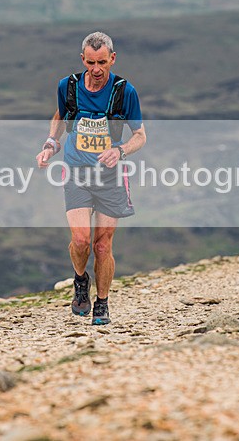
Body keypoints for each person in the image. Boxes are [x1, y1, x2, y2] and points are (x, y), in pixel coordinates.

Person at [36, 31, 146, 325]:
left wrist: (120, 151)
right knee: (81, 239)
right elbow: (60, 117)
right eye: (90, 63)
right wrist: (50, 144)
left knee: (102, 245)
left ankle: (102, 303)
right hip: (76, 172)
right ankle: (81, 280)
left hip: (110, 176)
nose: (96, 70)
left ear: (112, 59)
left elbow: (140, 136)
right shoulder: (68, 86)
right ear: (82, 59)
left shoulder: (125, 92)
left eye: (102, 62)